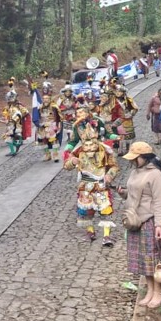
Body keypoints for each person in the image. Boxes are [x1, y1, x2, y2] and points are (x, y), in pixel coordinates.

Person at [117, 142, 161, 309]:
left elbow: (159, 201)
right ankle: (149, 290)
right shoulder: (135, 171)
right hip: (136, 221)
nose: (133, 161)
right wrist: (124, 193)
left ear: (144, 157)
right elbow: (134, 193)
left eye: (136, 158)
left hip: (150, 221)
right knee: (143, 260)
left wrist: (159, 225)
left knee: (153, 258)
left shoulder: (155, 174)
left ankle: (158, 291)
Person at [63, 103, 120, 247]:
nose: (88, 148)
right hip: (85, 186)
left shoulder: (104, 151)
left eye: (91, 144)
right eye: (86, 145)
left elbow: (114, 166)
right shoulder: (79, 150)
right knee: (85, 211)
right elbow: (67, 165)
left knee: (105, 210)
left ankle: (107, 236)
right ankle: (90, 232)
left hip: (100, 184)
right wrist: (72, 161)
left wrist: (109, 176)